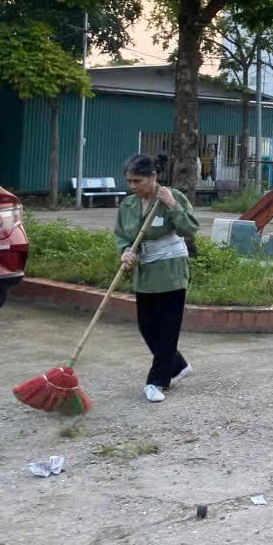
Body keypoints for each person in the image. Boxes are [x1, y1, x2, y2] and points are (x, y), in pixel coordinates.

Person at [114, 153, 201, 404]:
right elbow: (122, 235)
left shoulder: (171, 197)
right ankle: (179, 366)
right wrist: (125, 253)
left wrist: (173, 205)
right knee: (147, 326)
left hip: (171, 271)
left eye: (137, 181)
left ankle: (156, 381)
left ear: (154, 176)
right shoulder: (128, 206)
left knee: (167, 329)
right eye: (129, 181)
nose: (132, 186)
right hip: (146, 272)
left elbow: (189, 229)